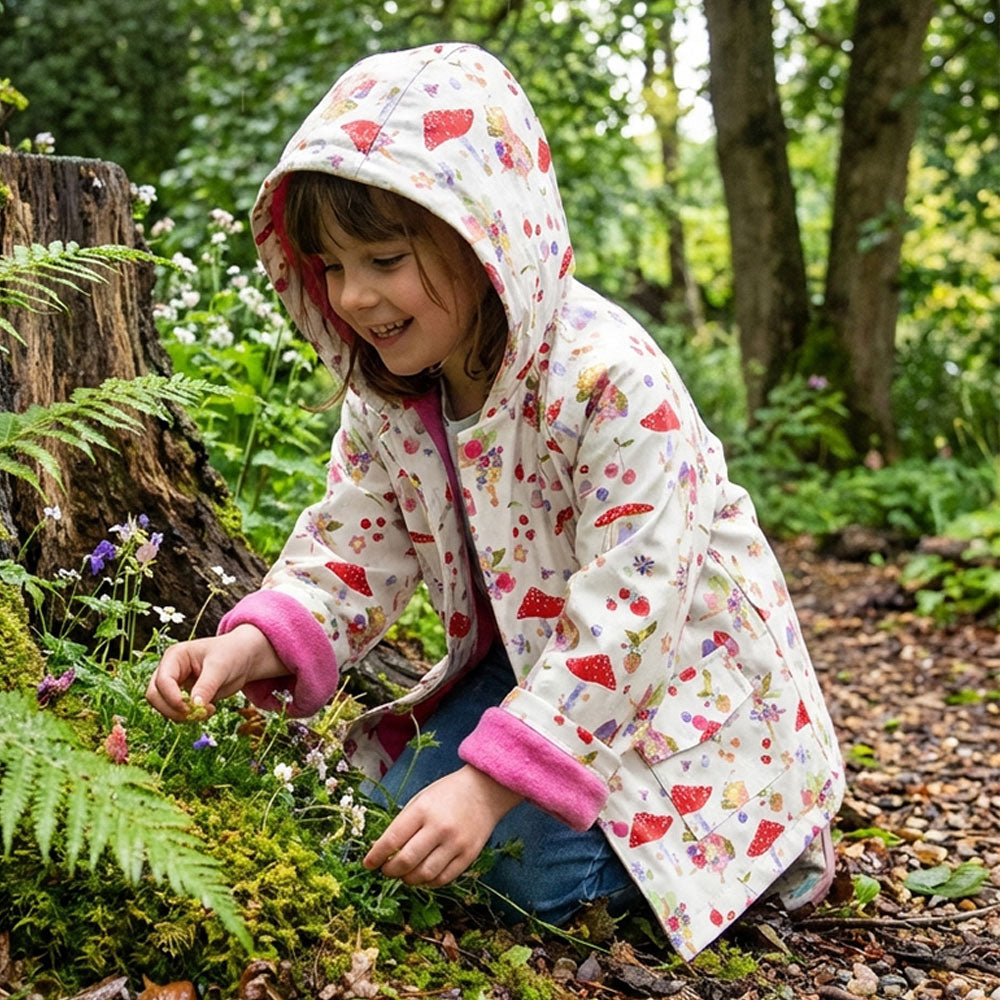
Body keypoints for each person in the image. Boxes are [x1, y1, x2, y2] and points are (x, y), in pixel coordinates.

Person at [146, 41, 845, 958]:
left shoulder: (608, 380)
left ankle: (767, 847)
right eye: (331, 266)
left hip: (687, 695)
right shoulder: (394, 394)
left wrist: (485, 788)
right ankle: (528, 799)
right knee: (386, 821)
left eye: (386, 258)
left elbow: (634, 614)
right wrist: (251, 643)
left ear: (485, 235)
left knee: (508, 866)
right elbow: (355, 547)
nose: (355, 296)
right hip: (535, 670)